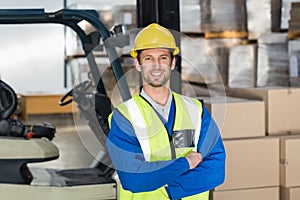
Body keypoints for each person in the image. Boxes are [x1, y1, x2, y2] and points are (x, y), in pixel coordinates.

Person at [106, 23, 226, 200]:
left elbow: (216, 167)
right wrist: (186, 163)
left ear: (173, 63)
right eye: (148, 59)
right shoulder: (124, 117)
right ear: (137, 64)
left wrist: (171, 190)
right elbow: (134, 179)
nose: (156, 66)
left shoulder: (196, 111)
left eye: (163, 58)